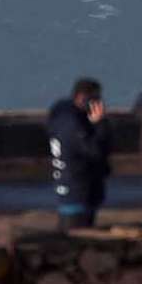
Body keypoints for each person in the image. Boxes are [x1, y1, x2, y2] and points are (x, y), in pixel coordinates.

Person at [47, 77, 110, 230]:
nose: (98, 104)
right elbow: (95, 151)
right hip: (79, 190)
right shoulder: (74, 125)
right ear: (83, 98)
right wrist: (100, 124)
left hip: (67, 187)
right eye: (95, 99)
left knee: (69, 235)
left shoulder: (61, 119)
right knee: (76, 236)